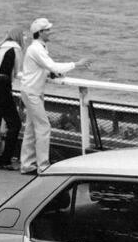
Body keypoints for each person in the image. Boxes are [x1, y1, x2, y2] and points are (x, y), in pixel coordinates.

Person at [18, 17, 90, 175]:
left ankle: (27, 164)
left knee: (31, 129)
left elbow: (45, 68)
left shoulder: (38, 48)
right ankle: (43, 166)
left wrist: (52, 73)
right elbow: (52, 65)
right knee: (43, 127)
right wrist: (76, 64)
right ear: (40, 32)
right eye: (48, 30)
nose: (50, 32)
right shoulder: (36, 49)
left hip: (31, 91)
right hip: (32, 93)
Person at [0, 26, 25, 170]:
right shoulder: (16, 49)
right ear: (19, 37)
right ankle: (6, 159)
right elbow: (16, 71)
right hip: (3, 85)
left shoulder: (0, 47)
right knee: (15, 124)